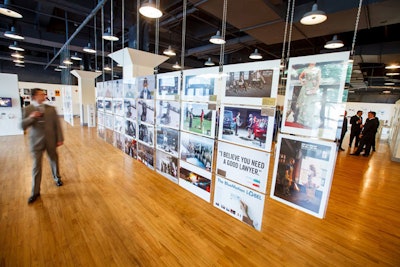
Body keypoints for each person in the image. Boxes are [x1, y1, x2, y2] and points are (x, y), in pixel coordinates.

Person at [21, 88, 64, 204]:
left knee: (54, 160)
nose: (44, 95)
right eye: (41, 94)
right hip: (36, 142)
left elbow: (57, 125)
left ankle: (57, 178)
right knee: (36, 166)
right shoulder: (27, 109)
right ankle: (35, 192)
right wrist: (31, 117)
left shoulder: (51, 109)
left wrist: (60, 139)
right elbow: (22, 126)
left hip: (51, 140)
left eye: (44, 94)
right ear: (34, 97)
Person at [295, 63, 322, 128]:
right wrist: (302, 82)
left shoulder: (318, 70)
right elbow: (300, 77)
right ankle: (302, 121)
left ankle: (309, 122)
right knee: (304, 104)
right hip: (306, 87)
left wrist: (315, 89)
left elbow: (319, 80)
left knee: (311, 104)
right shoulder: (305, 69)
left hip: (312, 87)